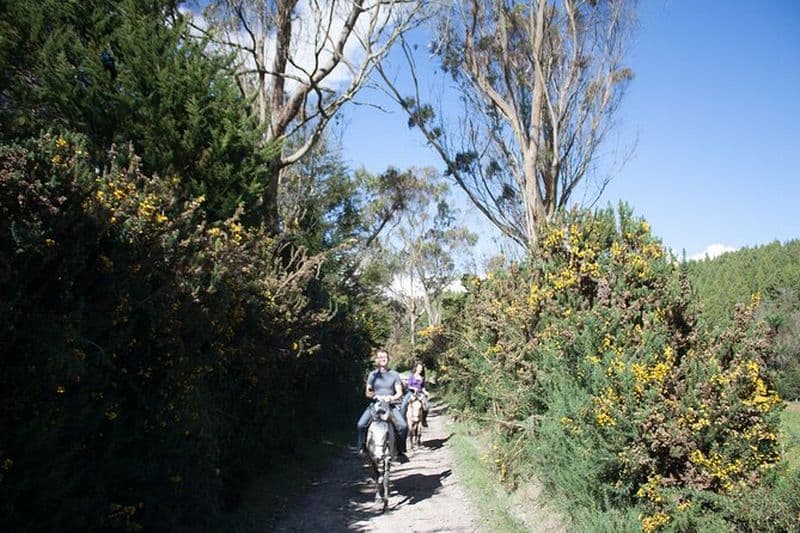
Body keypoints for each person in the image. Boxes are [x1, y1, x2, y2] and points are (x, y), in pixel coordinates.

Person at [356, 349, 408, 459]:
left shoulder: (394, 375)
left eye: (384, 357)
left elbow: (399, 392)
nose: (382, 359)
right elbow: (367, 391)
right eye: (380, 357)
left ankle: (400, 450)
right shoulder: (372, 375)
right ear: (376, 360)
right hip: (376, 404)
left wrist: (391, 397)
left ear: (388, 359)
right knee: (361, 424)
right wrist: (375, 396)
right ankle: (362, 447)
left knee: (403, 426)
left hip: (390, 405)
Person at [401, 362, 430, 427]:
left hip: (420, 394)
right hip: (411, 393)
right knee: (403, 405)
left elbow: (422, 387)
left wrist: (425, 392)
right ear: (416, 368)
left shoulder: (422, 377)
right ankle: (402, 421)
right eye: (419, 368)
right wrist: (414, 388)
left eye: (421, 368)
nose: (420, 369)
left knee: (427, 406)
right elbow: (408, 385)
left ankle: (423, 420)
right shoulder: (412, 376)